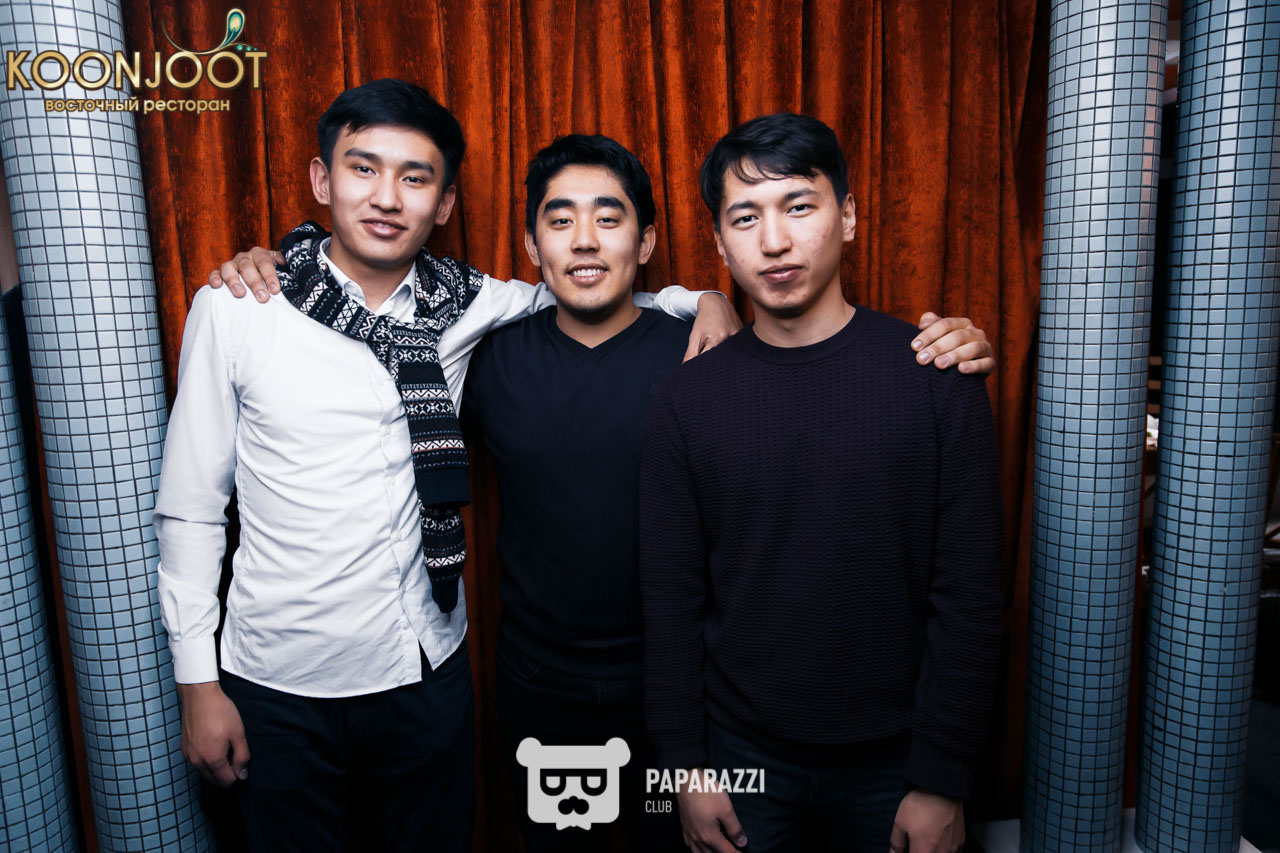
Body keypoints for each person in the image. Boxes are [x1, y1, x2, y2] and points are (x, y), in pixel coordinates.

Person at [153, 79, 733, 853]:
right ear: (323, 179)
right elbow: (191, 509)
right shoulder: (240, 308)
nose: (387, 197)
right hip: (280, 679)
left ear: (445, 202)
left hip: (426, 668)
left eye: (415, 177)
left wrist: (707, 299)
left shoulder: (468, 306)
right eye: (363, 168)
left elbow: (591, 292)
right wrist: (197, 682)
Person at [639, 113, 1004, 853]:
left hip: (899, 761)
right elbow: (670, 602)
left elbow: (971, 593)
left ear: (849, 215)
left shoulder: (937, 377)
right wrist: (684, 767)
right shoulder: (686, 400)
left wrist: (942, 779)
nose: (774, 240)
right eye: (746, 217)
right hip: (740, 757)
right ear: (720, 242)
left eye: (799, 205)